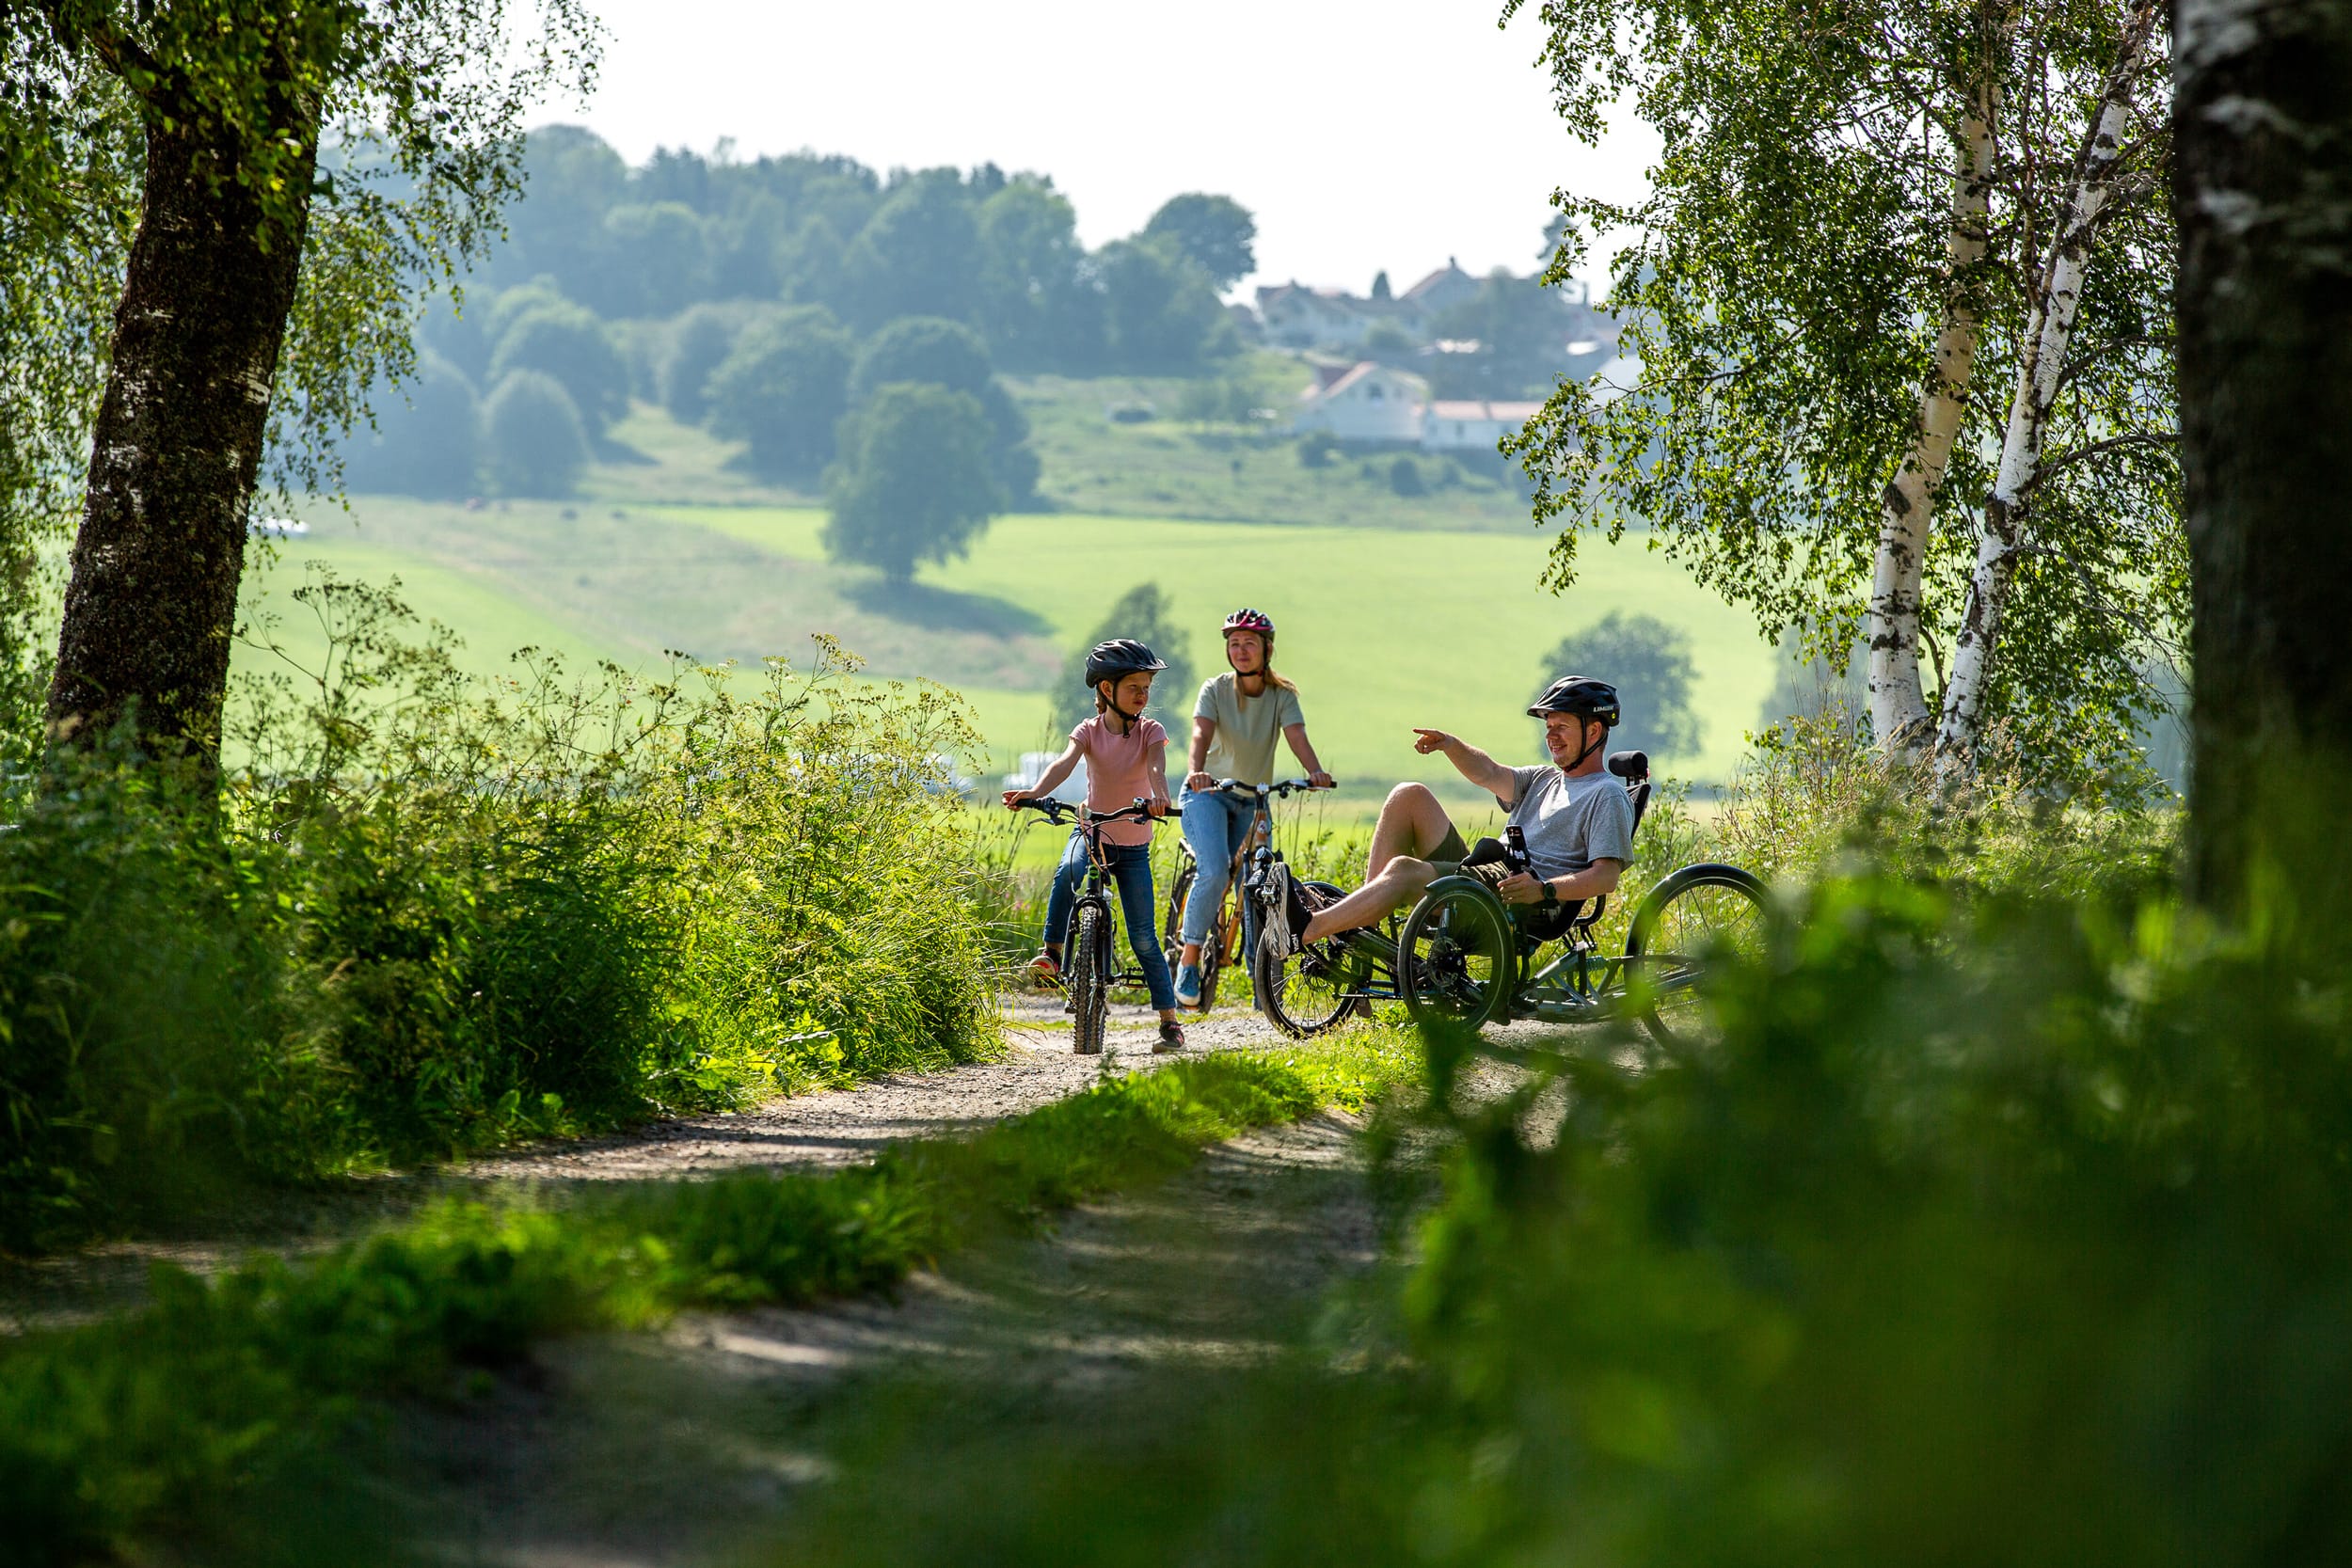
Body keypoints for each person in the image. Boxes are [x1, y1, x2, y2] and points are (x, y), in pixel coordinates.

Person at [1261, 676, 1636, 956]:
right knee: (1409, 795)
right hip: (1487, 876)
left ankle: (1305, 930)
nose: (1551, 735)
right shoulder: (1542, 778)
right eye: (1548, 727)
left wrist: (1544, 889)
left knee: (1404, 871)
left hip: (1520, 904)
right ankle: (1364, 939)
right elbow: (1489, 773)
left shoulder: (1606, 794)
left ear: (1595, 730)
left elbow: (1605, 877)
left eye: (1562, 726)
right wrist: (1451, 746)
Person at [1003, 638, 1187, 1052]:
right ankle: (1051, 953)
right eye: (1134, 687)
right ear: (1107, 690)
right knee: (1069, 869)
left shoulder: (1150, 731)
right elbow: (1063, 762)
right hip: (1092, 831)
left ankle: (1169, 1023)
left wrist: (1160, 798)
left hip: (1132, 845)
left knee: (1143, 938)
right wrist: (1032, 792)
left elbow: (1157, 768)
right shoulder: (1088, 731)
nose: (1143, 695)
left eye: (1146, 688)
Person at [1172, 608, 1335, 1008]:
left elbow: (1296, 736)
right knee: (1214, 870)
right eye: (1234, 643)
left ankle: (1261, 977)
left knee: (1262, 879)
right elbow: (1199, 732)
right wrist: (1196, 771)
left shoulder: (1282, 696)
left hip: (1253, 799)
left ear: (1267, 649)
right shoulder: (1215, 689)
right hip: (1207, 793)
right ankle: (1189, 960)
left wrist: (1314, 771)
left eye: (1249, 643)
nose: (1241, 650)